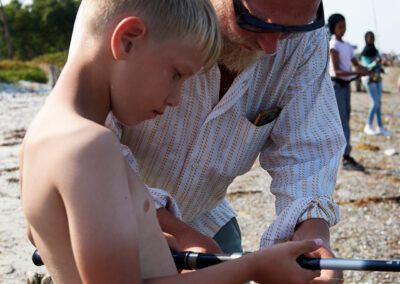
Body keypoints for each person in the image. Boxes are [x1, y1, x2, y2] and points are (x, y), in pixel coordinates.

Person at [20, 0, 324, 283]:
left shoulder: (42, 135)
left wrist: (148, 237)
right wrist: (252, 267)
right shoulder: (92, 148)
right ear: (127, 40)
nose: (179, 98)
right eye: (177, 74)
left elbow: (42, 233)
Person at [328, 13, 369, 171]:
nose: (343, 30)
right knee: (342, 121)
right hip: (336, 85)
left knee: (346, 119)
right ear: (333, 28)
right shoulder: (334, 45)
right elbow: (337, 71)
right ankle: (345, 157)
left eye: (344, 26)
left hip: (346, 86)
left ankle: (344, 153)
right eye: (340, 27)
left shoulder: (347, 45)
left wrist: (365, 70)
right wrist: (356, 73)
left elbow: (355, 64)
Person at [360, 31, 392, 136]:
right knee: (375, 102)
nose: (371, 39)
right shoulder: (364, 52)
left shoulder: (376, 51)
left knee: (379, 103)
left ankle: (380, 126)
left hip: (377, 78)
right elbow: (367, 67)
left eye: (372, 37)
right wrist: (376, 62)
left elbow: (380, 63)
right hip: (368, 79)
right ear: (366, 39)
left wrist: (381, 66)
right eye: (369, 37)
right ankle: (368, 125)